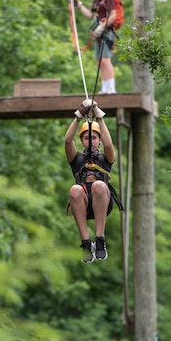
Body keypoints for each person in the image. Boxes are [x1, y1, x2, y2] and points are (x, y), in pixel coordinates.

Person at [65, 99, 116, 263]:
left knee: (99, 185)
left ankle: (100, 239)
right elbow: (67, 141)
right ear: (82, 141)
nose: (91, 140)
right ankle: (86, 242)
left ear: (99, 140)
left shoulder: (104, 159)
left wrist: (100, 118)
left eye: (94, 137)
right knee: (74, 189)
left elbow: (109, 146)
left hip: (102, 201)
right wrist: (78, 115)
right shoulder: (77, 159)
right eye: (87, 138)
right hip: (83, 204)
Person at [71, 0, 117, 94]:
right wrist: (79, 5)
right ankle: (104, 87)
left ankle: (111, 87)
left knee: (106, 60)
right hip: (98, 35)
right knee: (99, 61)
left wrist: (102, 26)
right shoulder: (96, 0)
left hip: (106, 32)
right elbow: (90, 15)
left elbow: (113, 15)